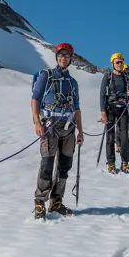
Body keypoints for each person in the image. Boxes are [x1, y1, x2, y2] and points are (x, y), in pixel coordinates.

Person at [31, 42, 84, 219]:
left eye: (66, 56)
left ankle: (56, 202)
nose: (63, 58)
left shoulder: (73, 83)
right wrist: (37, 122)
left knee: (64, 167)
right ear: (56, 58)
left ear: (71, 59)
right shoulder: (46, 75)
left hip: (69, 128)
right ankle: (40, 203)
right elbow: (35, 99)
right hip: (49, 125)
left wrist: (81, 132)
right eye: (60, 56)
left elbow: (76, 108)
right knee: (46, 165)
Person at [100, 53, 129, 173]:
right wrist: (102, 112)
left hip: (123, 109)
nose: (120, 64)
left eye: (121, 62)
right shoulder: (108, 76)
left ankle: (125, 162)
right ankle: (111, 163)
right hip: (110, 108)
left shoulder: (126, 76)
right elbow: (102, 94)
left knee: (124, 137)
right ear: (112, 64)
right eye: (117, 62)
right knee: (110, 138)